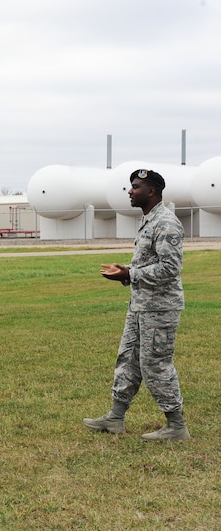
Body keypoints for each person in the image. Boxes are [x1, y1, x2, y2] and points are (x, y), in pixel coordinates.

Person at [84, 169, 191, 441]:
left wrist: (130, 274)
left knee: (155, 363)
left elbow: (169, 268)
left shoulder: (166, 222)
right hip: (140, 304)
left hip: (160, 308)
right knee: (128, 358)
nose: (130, 191)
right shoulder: (147, 221)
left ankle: (176, 426)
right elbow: (149, 263)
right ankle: (115, 417)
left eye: (135, 187)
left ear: (151, 191)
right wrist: (127, 270)